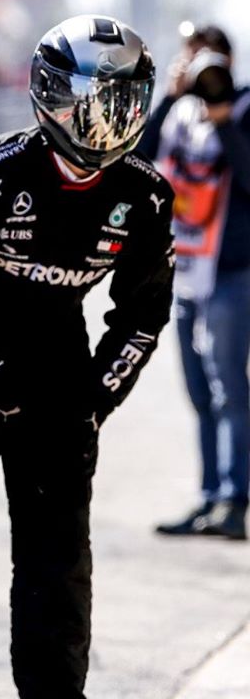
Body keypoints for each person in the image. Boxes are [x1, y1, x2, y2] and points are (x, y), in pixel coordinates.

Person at [0, 15, 175, 699]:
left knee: (57, 563)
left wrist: (95, 399)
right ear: (47, 97)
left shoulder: (146, 196)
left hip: (61, 382)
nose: (102, 122)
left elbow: (143, 314)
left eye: (123, 102)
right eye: (87, 101)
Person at [138, 26, 250, 540]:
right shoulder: (179, 112)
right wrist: (170, 97)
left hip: (231, 272)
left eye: (212, 62)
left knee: (230, 390)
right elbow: (139, 161)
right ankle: (209, 496)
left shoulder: (244, 109)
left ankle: (234, 498)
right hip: (184, 270)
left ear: (229, 63)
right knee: (200, 392)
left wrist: (225, 119)